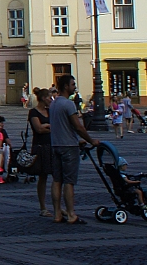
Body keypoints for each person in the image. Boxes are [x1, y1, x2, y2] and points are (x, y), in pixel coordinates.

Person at [49, 73, 96, 224]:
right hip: (68, 147)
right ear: (65, 86)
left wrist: (78, 141)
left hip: (55, 145)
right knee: (69, 181)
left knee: (57, 180)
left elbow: (62, 126)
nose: (75, 87)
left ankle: (57, 213)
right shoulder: (68, 104)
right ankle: (70, 214)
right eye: (73, 84)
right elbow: (77, 126)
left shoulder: (54, 103)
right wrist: (91, 140)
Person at [28, 88, 54, 216]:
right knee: (43, 177)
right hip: (41, 146)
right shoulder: (33, 112)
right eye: (49, 97)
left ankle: (58, 207)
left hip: (53, 145)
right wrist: (50, 127)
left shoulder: (51, 111)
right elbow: (38, 129)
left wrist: (47, 127)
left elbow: (56, 126)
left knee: (57, 177)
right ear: (44, 98)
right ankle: (43, 207)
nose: (51, 99)